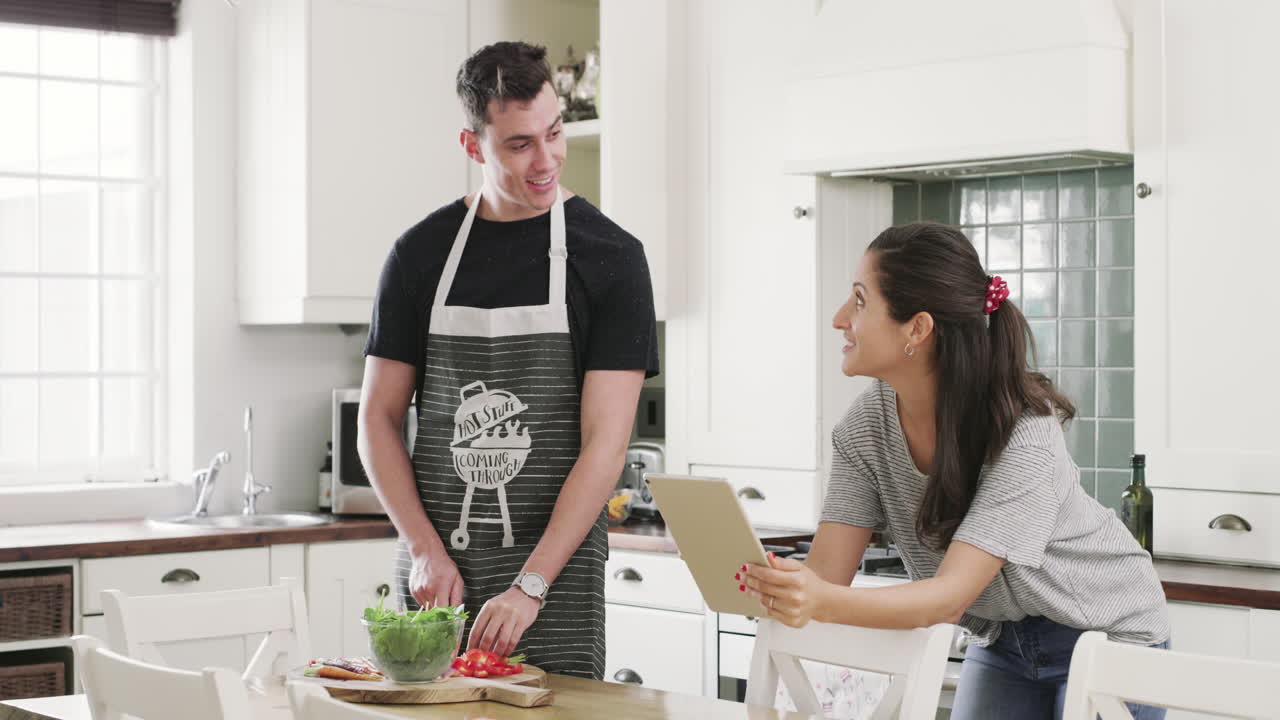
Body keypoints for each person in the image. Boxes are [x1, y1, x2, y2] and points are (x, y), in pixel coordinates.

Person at [740, 222, 1169, 718]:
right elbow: (826, 578)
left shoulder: (1024, 432)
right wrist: (773, 582)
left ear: (917, 329)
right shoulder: (865, 426)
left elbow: (944, 599)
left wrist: (814, 599)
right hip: (1003, 639)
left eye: (859, 300)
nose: (840, 318)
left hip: (1111, 634)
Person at [357, 41, 658, 680]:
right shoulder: (419, 255)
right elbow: (378, 420)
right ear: (473, 147)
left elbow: (604, 446)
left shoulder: (612, 258)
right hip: (436, 577)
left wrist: (532, 586)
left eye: (554, 134)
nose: (545, 160)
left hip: (557, 580)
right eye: (519, 145)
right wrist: (422, 550)